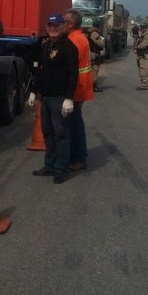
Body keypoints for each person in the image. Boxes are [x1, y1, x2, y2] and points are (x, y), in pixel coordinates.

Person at [28, 13, 78, 184]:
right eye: (50, 25)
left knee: (61, 134)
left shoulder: (68, 47)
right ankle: (49, 165)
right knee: (48, 133)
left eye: (56, 25)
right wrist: (34, 92)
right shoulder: (46, 45)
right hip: (46, 97)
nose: (52, 28)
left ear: (63, 27)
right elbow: (40, 70)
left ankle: (61, 169)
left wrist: (69, 98)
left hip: (59, 97)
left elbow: (73, 75)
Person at [64, 9, 94, 171]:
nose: (61, 23)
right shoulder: (76, 38)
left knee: (74, 125)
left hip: (76, 89)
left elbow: (69, 68)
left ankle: (78, 158)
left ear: (70, 24)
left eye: (64, 20)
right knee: (74, 123)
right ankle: (76, 156)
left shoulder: (75, 40)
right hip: (79, 87)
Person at [83, 20, 106, 92]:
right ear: (99, 26)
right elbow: (101, 44)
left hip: (89, 53)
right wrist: (103, 41)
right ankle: (94, 86)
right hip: (94, 53)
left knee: (89, 69)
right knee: (95, 69)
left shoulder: (88, 32)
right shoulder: (94, 33)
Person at [132, 22, 148, 90]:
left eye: (143, 27)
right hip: (140, 55)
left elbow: (144, 45)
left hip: (144, 56)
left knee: (144, 71)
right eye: (141, 27)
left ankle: (144, 85)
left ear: (146, 28)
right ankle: (143, 84)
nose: (142, 29)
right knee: (141, 71)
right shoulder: (142, 35)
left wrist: (136, 47)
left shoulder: (147, 36)